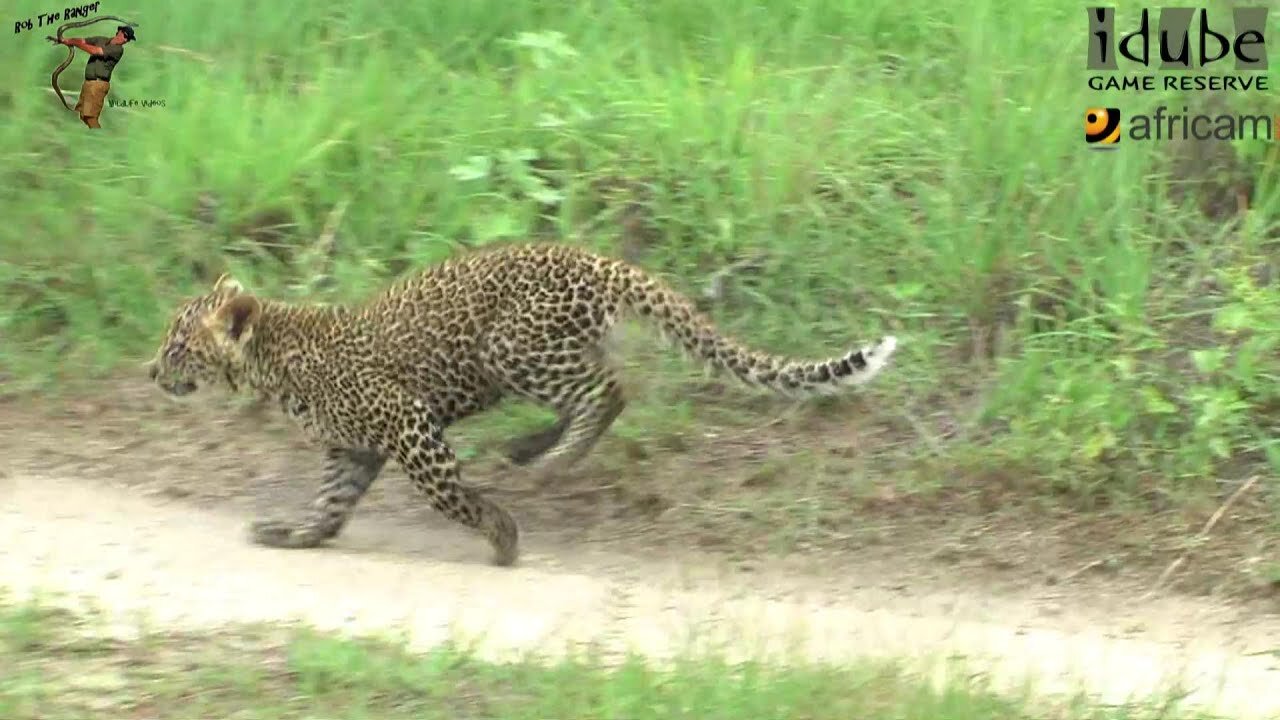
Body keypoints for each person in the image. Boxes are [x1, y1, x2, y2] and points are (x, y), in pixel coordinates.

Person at [52, 25, 136, 128]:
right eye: (126, 36)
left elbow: (95, 51)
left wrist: (74, 43)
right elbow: (83, 41)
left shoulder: (118, 50)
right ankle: (91, 138)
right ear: (119, 31)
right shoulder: (101, 39)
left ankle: (100, 139)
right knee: (83, 116)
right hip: (89, 83)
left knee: (91, 118)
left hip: (98, 85)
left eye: (128, 39)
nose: (125, 40)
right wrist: (65, 40)